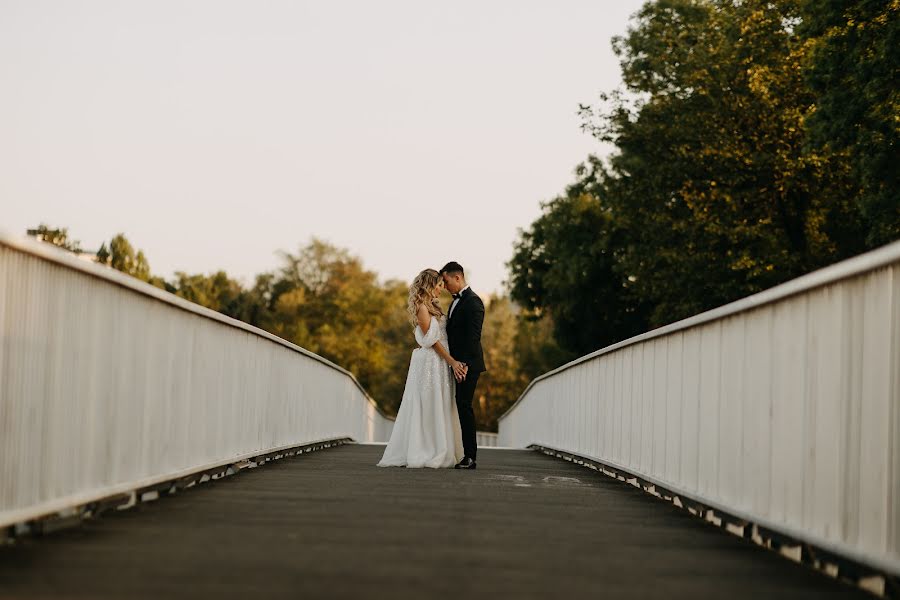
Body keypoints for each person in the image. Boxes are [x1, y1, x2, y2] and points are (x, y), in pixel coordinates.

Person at [377, 269, 465, 468]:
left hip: (440, 362)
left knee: (440, 403)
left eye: (443, 285)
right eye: (439, 285)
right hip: (431, 363)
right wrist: (452, 361)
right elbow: (432, 340)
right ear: (429, 285)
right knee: (427, 404)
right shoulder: (421, 307)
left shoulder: (434, 305)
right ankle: (425, 450)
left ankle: (441, 447)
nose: (441, 289)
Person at [440, 261, 485, 470]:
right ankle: (458, 451)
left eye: (446, 281)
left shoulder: (474, 302)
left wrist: (463, 364)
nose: (445, 286)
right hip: (455, 363)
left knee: (464, 406)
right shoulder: (455, 301)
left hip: (468, 365)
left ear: (457, 277)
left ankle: (470, 456)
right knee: (458, 405)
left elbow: (473, 337)